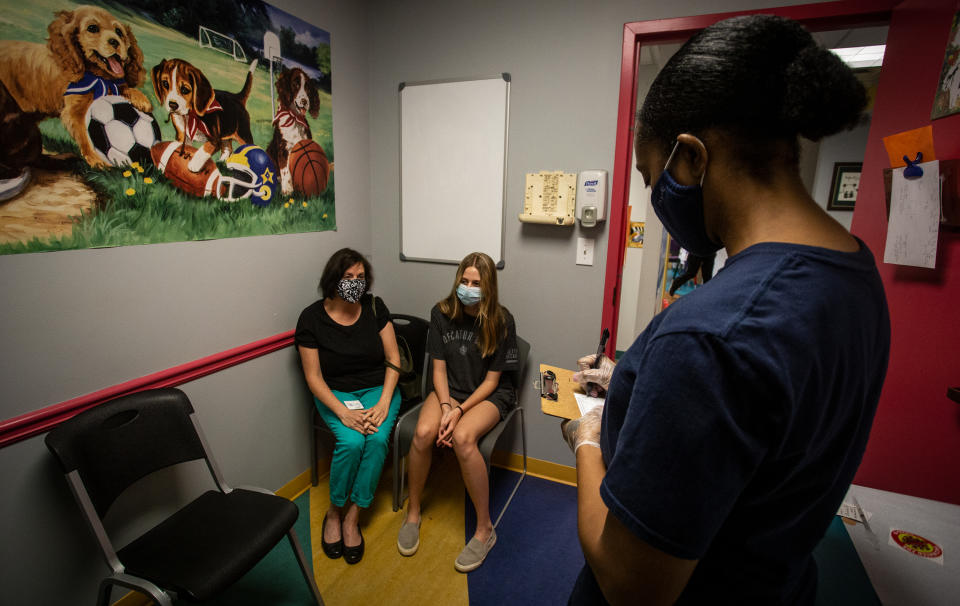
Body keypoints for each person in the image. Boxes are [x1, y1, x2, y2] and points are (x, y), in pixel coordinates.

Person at [562, 15, 890, 605]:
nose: (653, 196)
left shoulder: (708, 338)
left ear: (689, 158)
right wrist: (632, 385)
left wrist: (587, 434)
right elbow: (762, 428)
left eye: (650, 176)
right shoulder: (854, 273)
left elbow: (628, 581)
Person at [397, 251, 520, 572]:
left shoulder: (502, 320)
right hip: (449, 392)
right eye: (464, 281)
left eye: (476, 283)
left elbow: (493, 381)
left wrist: (460, 411)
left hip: (488, 395)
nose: (468, 287)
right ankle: (413, 513)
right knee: (423, 433)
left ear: (488, 287)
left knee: (464, 438)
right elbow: (437, 370)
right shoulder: (441, 313)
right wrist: (447, 405)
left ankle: (484, 530)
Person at [296, 247, 402, 565]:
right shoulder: (311, 318)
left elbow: (394, 359)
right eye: (347, 277)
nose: (355, 283)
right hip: (335, 393)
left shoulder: (374, 307)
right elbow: (313, 378)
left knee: (379, 437)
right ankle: (334, 511)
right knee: (353, 440)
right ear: (333, 279)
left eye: (360, 277)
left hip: (378, 389)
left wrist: (384, 402)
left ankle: (354, 515)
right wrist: (343, 411)